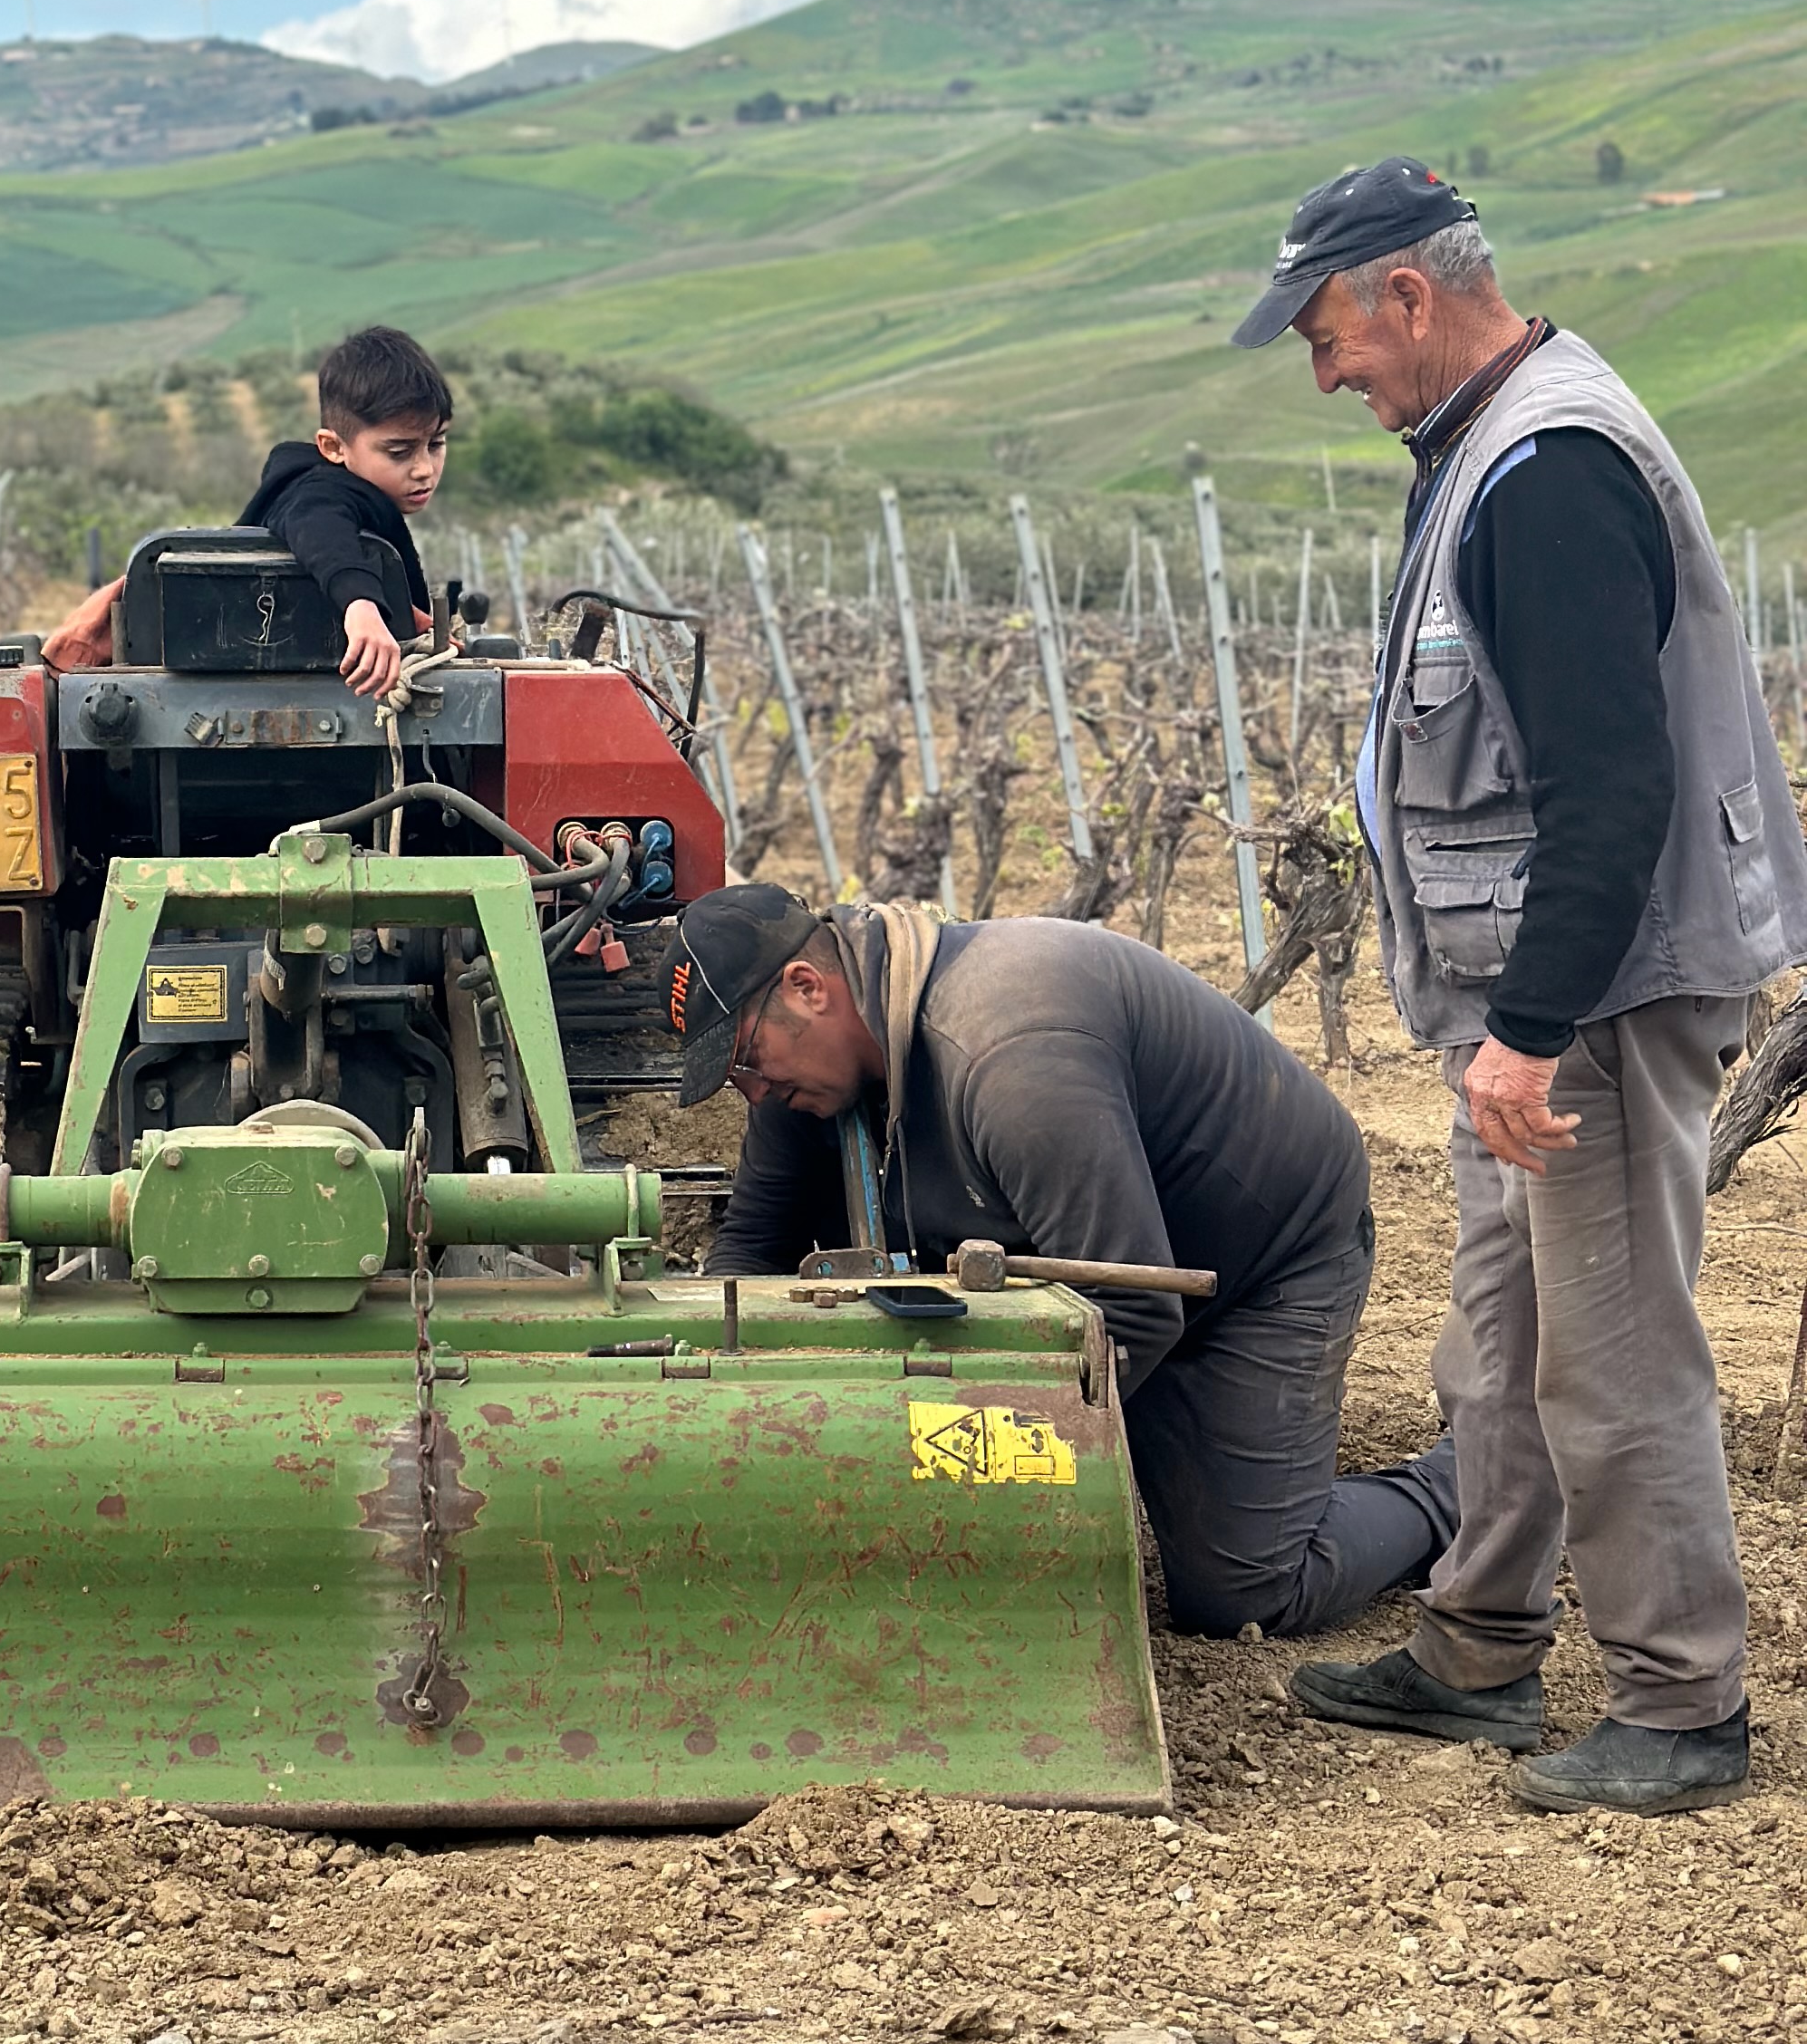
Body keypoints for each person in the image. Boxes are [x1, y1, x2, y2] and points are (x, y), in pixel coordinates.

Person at [1234, 156, 1807, 1813]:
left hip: (1596, 1001)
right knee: (1497, 1336)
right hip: (1533, 1004)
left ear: (1406, 293)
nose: (1322, 368)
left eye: (1325, 332)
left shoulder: (1546, 472)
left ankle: (1678, 1700)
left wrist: (1534, 1030)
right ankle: (1475, 1649)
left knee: (1610, 1348)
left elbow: (1608, 786)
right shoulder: (1482, 446)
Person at [669, 881, 1459, 1642]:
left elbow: (1141, 1310)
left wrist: (964, 1458)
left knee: (1244, 1590)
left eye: (745, 1058)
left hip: (1262, 1264)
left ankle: (1471, 1483)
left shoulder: (1008, 1057)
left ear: (808, 987)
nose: (752, 1093)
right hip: (1104, 1261)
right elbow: (751, 1254)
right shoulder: (815, 1075)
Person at [37, 322, 448, 692]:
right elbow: (318, 525)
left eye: (436, 444)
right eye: (399, 451)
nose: (424, 470)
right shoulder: (316, 491)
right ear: (334, 447)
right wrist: (360, 605)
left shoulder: (338, 491)